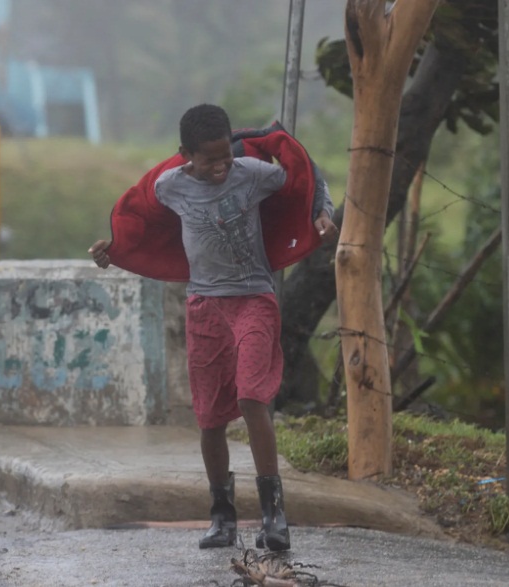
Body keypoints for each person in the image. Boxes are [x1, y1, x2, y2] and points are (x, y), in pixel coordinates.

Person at [90, 104, 337, 551]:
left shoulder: (254, 174)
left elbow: (306, 176)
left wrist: (321, 210)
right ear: (185, 154)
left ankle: (273, 514)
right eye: (210, 160)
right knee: (209, 418)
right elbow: (146, 225)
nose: (222, 166)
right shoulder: (170, 186)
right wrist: (117, 248)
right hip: (204, 307)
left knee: (251, 396)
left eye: (226, 155)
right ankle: (222, 516)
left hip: (253, 300)